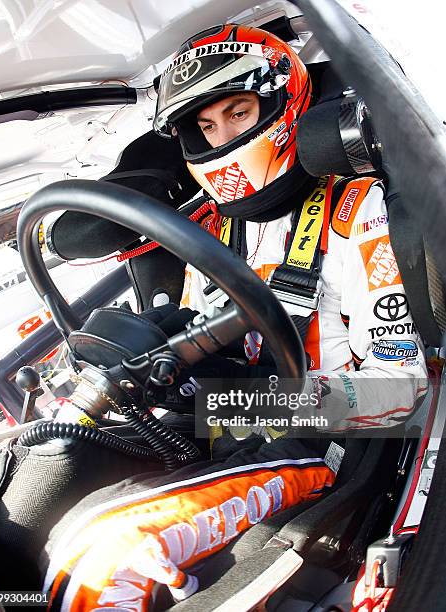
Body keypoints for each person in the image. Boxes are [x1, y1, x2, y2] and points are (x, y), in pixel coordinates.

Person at [43, 24, 427, 609]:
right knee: (27, 472)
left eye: (238, 113)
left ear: (282, 104)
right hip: (225, 434)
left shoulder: (359, 210)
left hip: (324, 448)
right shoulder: (212, 227)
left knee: (103, 571)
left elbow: (401, 393)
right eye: (205, 126)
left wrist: (239, 397)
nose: (221, 138)